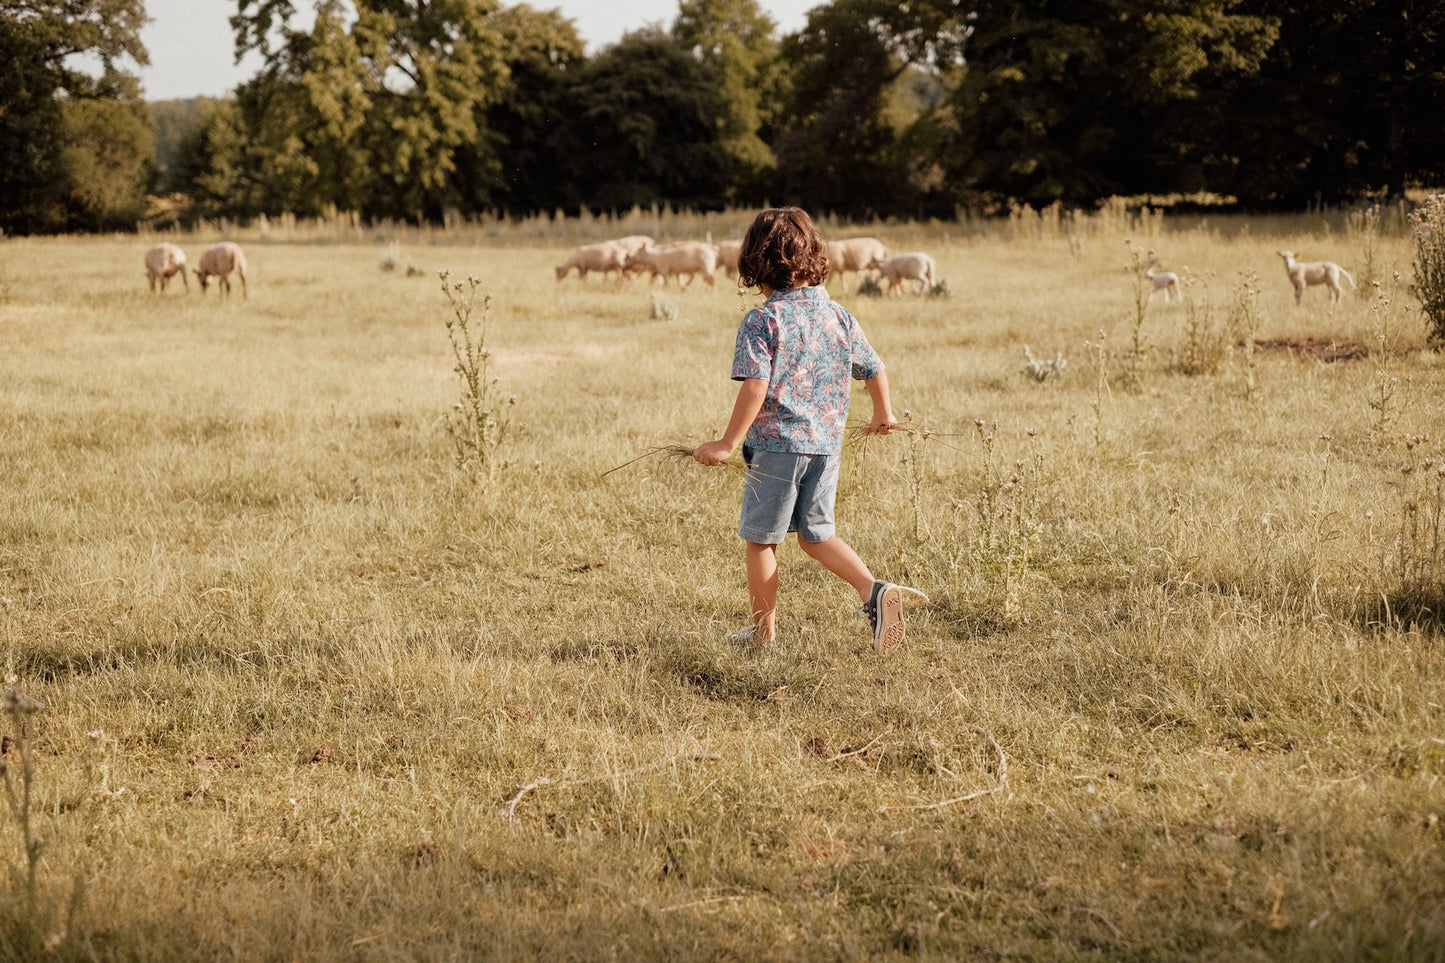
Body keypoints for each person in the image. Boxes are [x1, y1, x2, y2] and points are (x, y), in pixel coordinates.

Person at [693, 207, 926, 655]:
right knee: (816, 535)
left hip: (778, 449)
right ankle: (873, 591)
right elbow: (874, 368)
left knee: (762, 541)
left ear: (756, 263)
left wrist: (726, 443)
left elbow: (756, 386)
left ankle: (763, 638)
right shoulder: (838, 314)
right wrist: (884, 413)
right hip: (825, 447)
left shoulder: (763, 321)